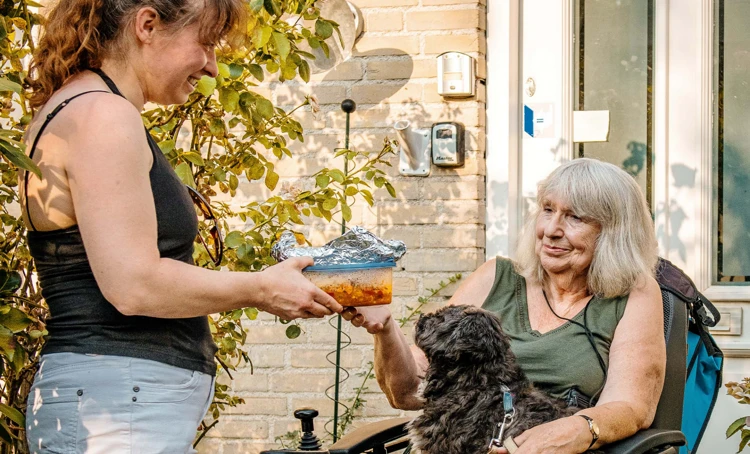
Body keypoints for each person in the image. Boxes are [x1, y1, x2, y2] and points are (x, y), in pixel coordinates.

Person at [21, 1, 342, 452]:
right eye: (206, 43)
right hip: (119, 405)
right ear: (147, 25)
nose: (211, 66)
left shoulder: (86, 108)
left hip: (117, 398)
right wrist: (261, 289)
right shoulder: (103, 115)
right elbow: (134, 285)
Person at [344, 158, 667, 454]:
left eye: (574, 217)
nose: (551, 230)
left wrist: (574, 430)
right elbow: (410, 391)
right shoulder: (495, 277)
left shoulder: (633, 294)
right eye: (547, 210)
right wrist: (385, 329)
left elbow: (631, 406)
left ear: (613, 232)